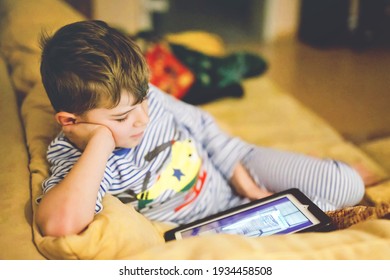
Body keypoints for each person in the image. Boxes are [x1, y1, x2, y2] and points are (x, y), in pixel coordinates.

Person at [36, 20, 365, 237]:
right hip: (211, 224)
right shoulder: (77, 158)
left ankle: (324, 170)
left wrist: (247, 185)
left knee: (347, 183)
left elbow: (204, 128)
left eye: (143, 102)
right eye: (121, 118)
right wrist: (100, 142)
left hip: (236, 164)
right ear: (70, 121)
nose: (143, 120)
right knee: (323, 213)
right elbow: (58, 224)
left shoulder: (141, 98)